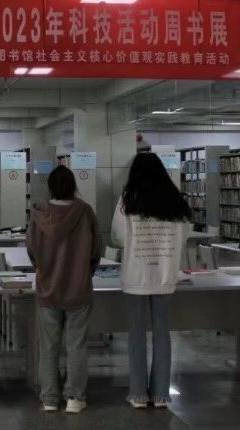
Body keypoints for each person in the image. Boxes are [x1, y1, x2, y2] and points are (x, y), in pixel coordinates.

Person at [111, 152, 191, 410]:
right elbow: (185, 234)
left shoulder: (127, 200)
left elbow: (118, 237)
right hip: (165, 275)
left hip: (136, 275)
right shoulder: (175, 200)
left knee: (136, 335)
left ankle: (138, 394)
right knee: (162, 334)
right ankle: (161, 394)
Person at [26, 165, 102, 414]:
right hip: (78, 288)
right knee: (76, 344)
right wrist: (87, 271)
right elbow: (96, 249)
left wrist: (40, 268)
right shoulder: (85, 212)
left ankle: (49, 398)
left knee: (48, 346)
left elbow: (32, 249)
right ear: (73, 187)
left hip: (48, 288)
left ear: (50, 187)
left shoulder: (39, 213)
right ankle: (75, 398)